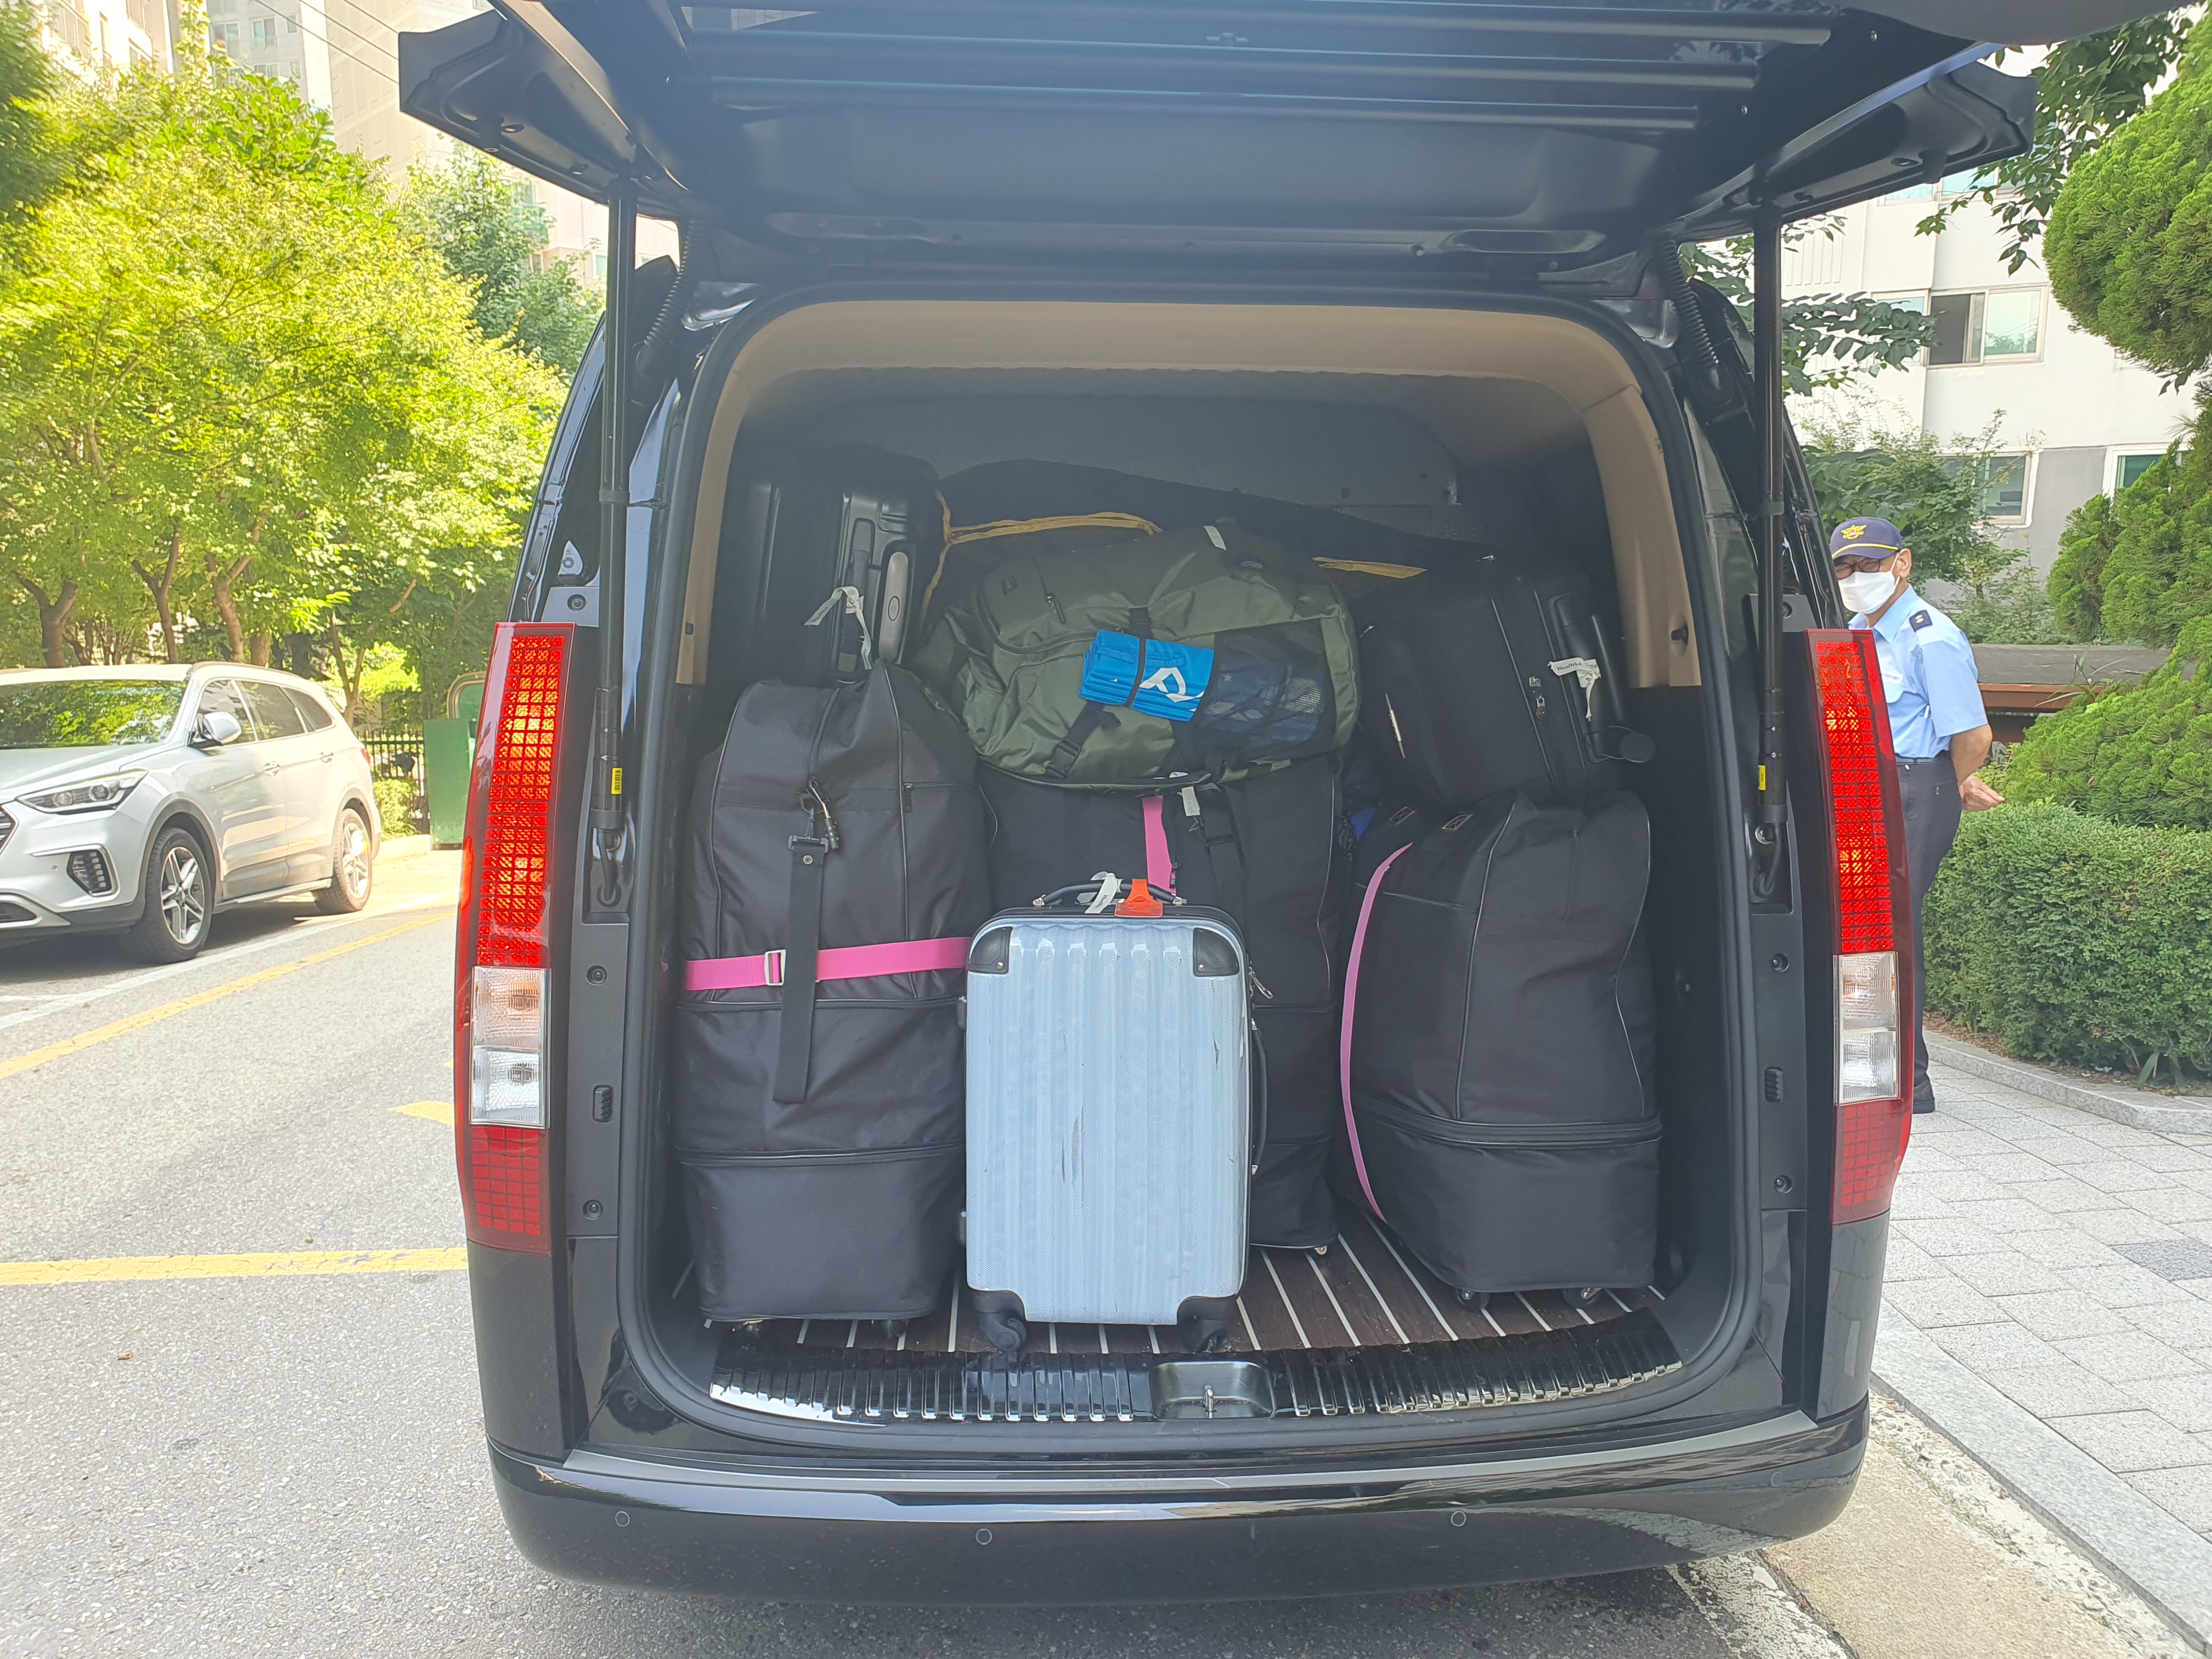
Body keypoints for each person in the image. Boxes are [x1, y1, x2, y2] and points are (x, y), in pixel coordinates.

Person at [1830, 516, 2005, 1114]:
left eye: (1870, 565)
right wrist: (1955, 777)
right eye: (1846, 568)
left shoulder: (1930, 637)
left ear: (1902, 564)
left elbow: (1974, 736)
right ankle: (1870, 1068)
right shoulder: (1857, 631)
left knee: (1891, 929)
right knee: (1863, 928)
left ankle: (1909, 1083)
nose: (1857, 577)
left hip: (1912, 790)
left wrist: (1945, 785)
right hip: (1874, 783)